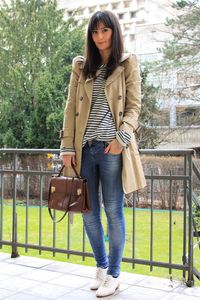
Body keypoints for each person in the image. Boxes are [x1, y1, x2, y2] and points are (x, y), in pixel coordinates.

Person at [60, 10, 146, 298]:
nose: (99, 37)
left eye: (104, 31)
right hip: (85, 149)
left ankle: (115, 274)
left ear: (114, 31)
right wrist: (66, 147)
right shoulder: (81, 65)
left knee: (112, 210)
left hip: (111, 148)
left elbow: (134, 106)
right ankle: (101, 266)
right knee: (88, 213)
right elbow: (70, 109)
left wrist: (121, 139)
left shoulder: (127, 62)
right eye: (95, 32)